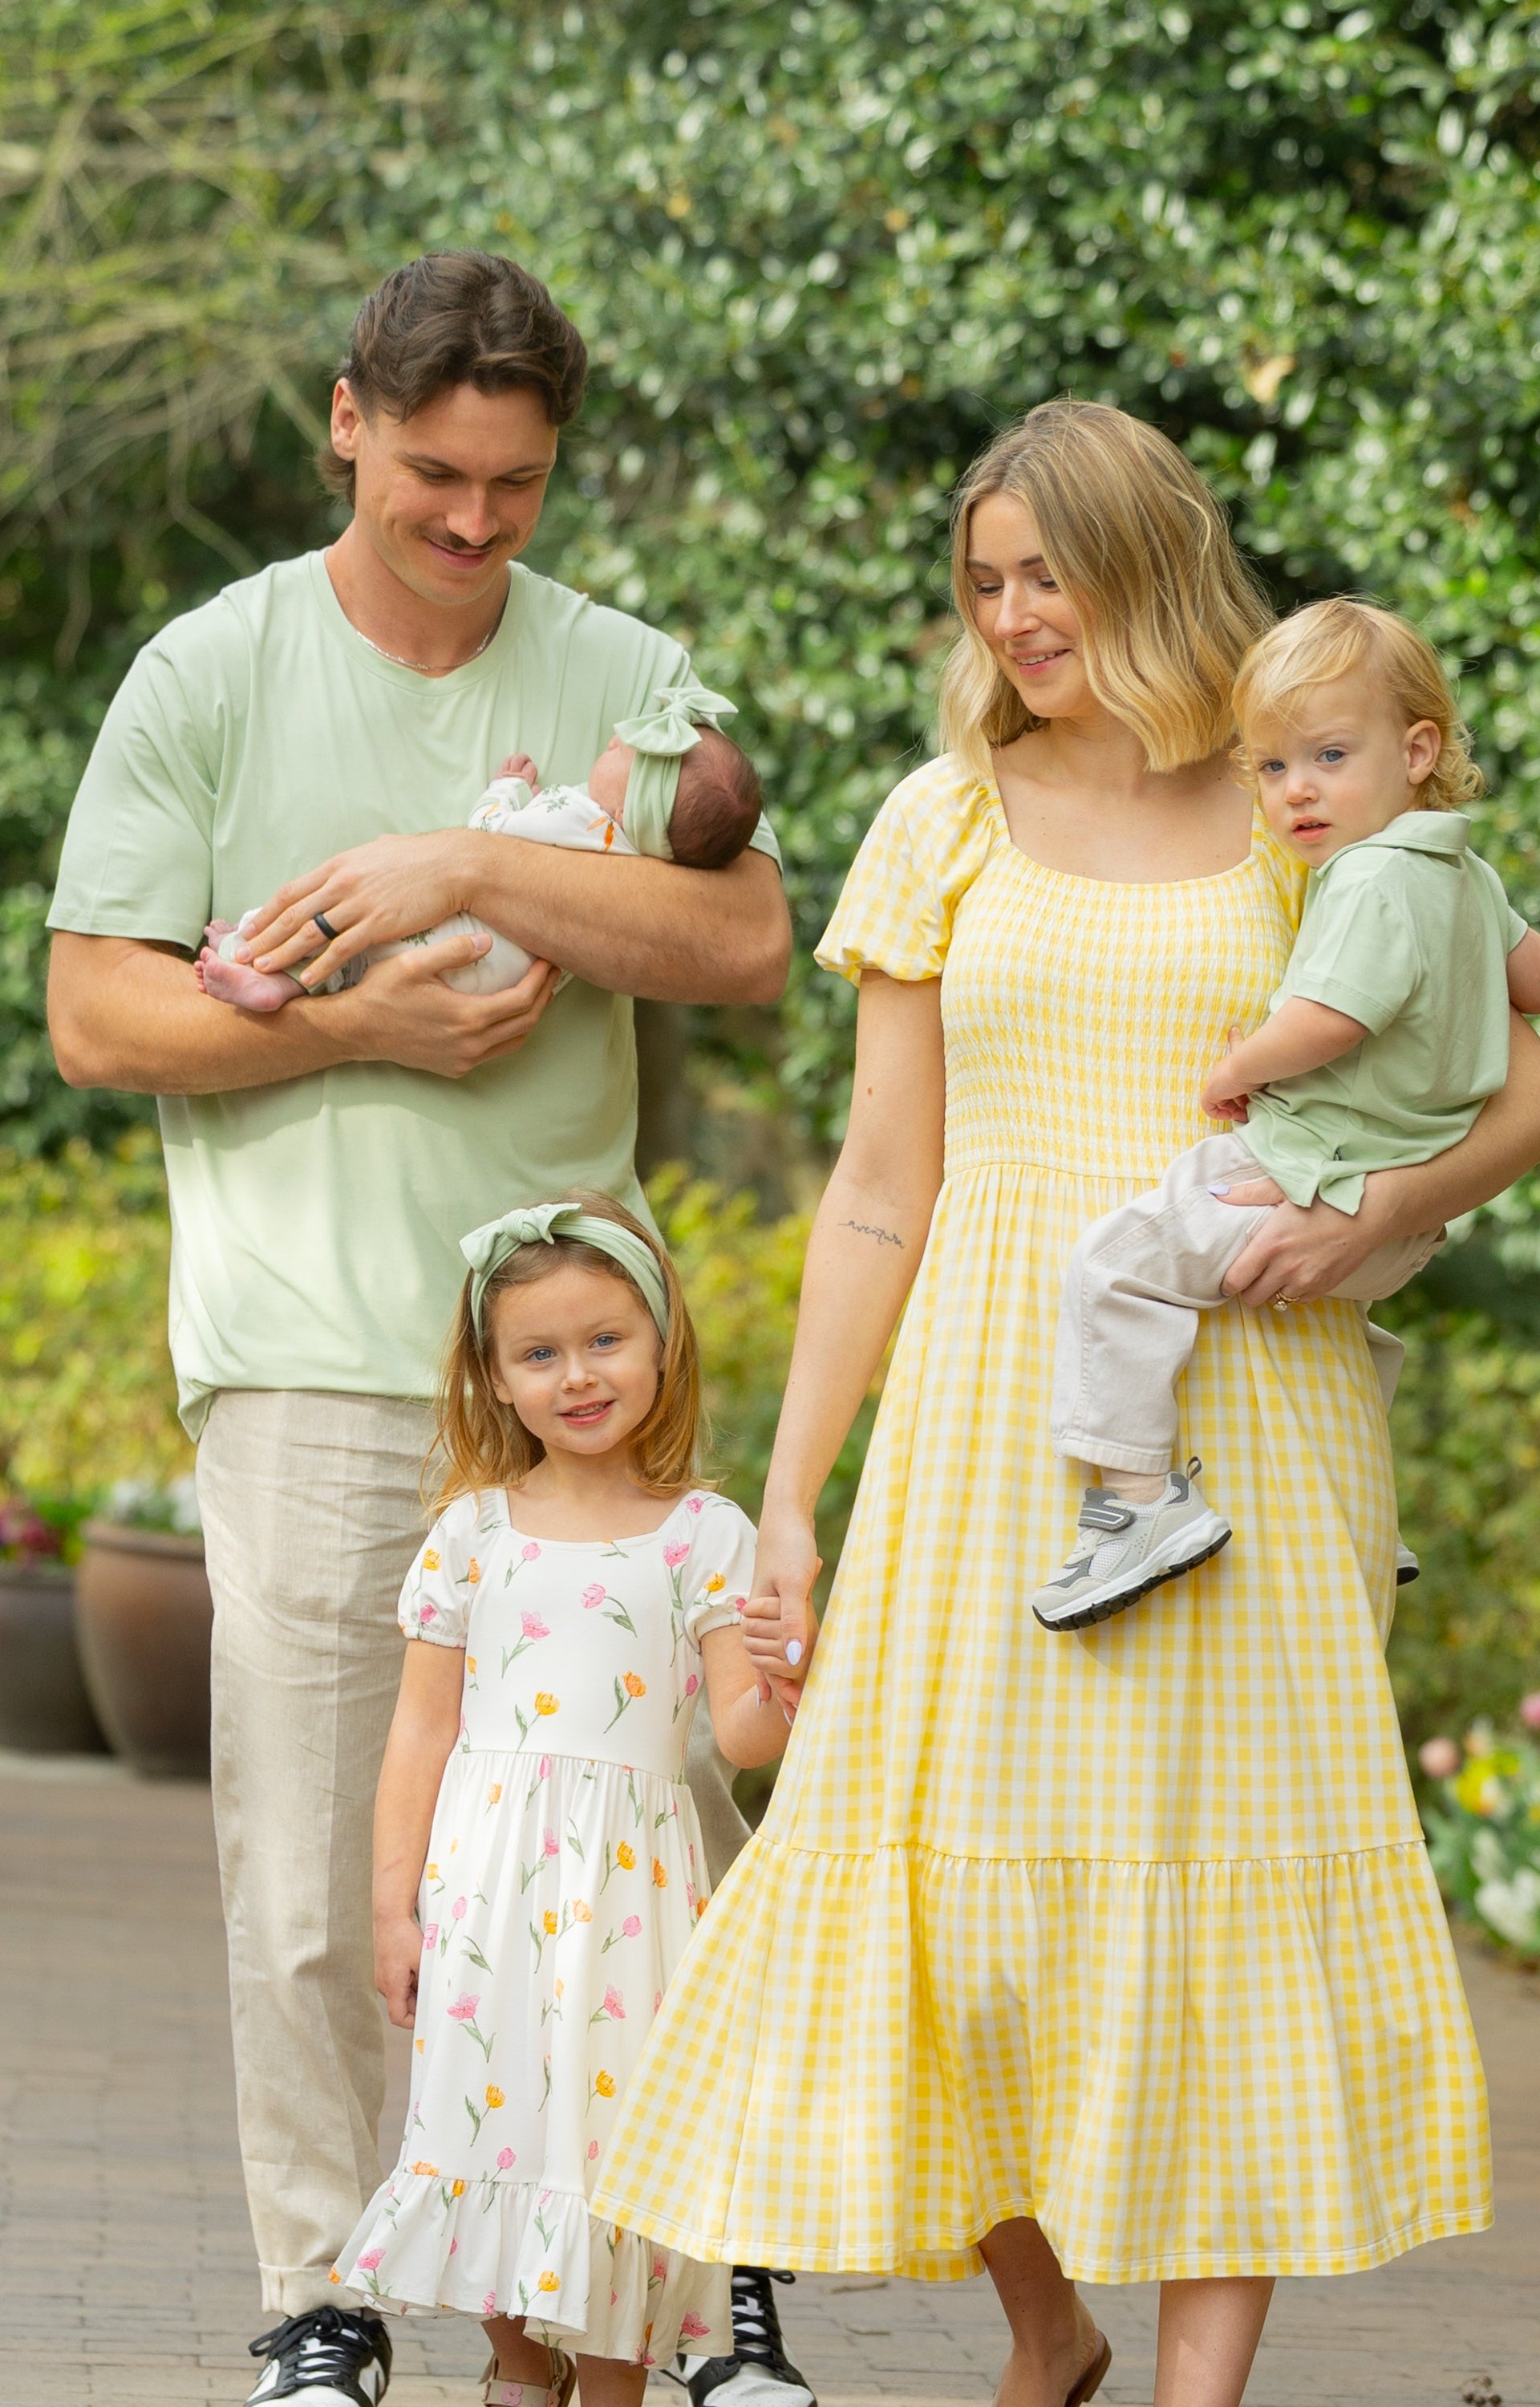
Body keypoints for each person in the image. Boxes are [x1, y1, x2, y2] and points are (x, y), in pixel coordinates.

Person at [591, 400, 1540, 2407]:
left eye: (1049, 572)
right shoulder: (943, 815)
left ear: (1147, 559)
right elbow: (880, 1184)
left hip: (1259, 1408)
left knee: (1224, 1893)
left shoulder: (1301, 798)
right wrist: (792, 1494)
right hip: (983, 1417)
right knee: (927, 1902)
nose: (1014, 615)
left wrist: (1380, 1210)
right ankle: (1049, 2331)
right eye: (986, 581)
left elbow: (1530, 1083)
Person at [45, 251, 812, 2407]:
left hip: (582, 1380)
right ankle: (324, 2289)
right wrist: (349, 1022)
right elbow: (93, 1010)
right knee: (313, 1870)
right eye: (436, 478)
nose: (475, 523)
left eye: (517, 485)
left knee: (667, 1832)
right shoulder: (208, 672)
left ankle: (688, 2276)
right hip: (309, 1354)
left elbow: (745, 939)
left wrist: (457, 863)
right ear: (347, 423)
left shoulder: (623, 672)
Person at [333, 1193, 795, 2407]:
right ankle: (516, 2365)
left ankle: (609, 2385)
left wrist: (794, 1681)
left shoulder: (705, 1534)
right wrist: (393, 1910)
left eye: (605, 1340)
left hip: (630, 1901)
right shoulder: (472, 1535)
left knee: (611, 2146)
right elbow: (420, 1731)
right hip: (487, 1887)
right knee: (480, 2125)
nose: (577, 1376)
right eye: (538, 1353)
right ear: (494, 1379)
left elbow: (739, 1733)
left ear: (661, 1346)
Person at [1031, 597, 1540, 1630]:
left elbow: (1329, 1020)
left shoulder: (1364, 877)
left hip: (1302, 1172)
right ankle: (1374, 1505)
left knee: (1115, 1264)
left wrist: (1238, 1064)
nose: (1296, 791)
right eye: (1271, 767)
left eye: (1327, 756)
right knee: (1352, 1337)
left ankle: (1136, 1501)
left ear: (1417, 751)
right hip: (1404, 1225)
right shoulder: (1464, 872)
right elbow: (1539, 983)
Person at [197, 689, 760, 1013]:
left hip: (468, 941)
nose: (613, 740)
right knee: (365, 963)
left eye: (624, 753)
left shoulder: (578, 815)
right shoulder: (637, 864)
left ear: (634, 802)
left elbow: (484, 837)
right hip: (501, 974)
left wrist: (506, 790)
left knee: (354, 920)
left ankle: (251, 953)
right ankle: (275, 980)